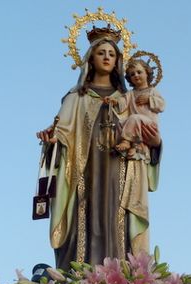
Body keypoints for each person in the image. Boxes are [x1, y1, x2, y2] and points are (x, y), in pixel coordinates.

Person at [36, 26, 162, 270]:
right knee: (85, 215)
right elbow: (61, 132)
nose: (106, 57)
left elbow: (150, 134)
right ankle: (82, 272)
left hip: (122, 170)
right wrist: (52, 140)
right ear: (90, 59)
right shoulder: (76, 98)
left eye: (112, 54)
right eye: (101, 52)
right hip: (85, 169)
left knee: (120, 217)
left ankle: (123, 274)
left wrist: (155, 144)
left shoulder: (131, 98)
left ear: (118, 62)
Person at [115, 59, 165, 159]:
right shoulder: (130, 94)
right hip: (135, 126)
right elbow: (122, 105)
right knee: (120, 123)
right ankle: (137, 146)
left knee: (134, 118)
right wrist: (114, 101)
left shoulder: (152, 91)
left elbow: (162, 105)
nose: (136, 75)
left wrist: (149, 99)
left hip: (149, 127)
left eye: (139, 72)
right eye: (132, 74)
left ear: (147, 73)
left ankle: (127, 141)